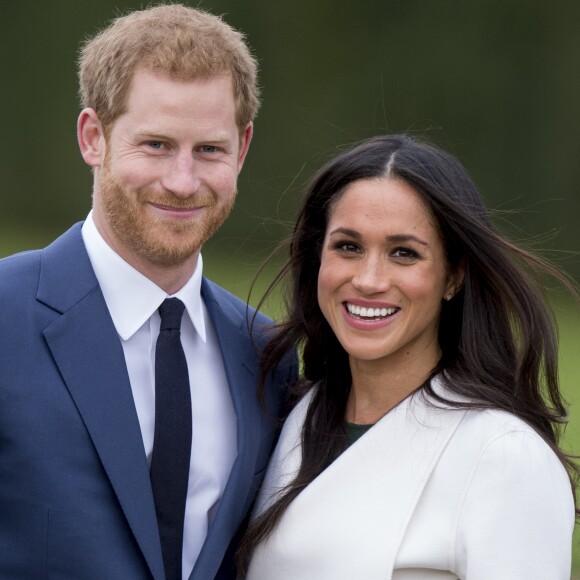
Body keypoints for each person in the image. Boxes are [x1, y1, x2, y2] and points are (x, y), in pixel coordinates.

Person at [0, 5, 296, 580]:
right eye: (156, 144)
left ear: (243, 147)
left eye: (209, 149)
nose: (182, 182)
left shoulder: (268, 355)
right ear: (94, 137)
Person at [239, 134, 578, 579]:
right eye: (348, 246)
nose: (369, 279)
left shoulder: (502, 456)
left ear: (453, 275)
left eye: (404, 253)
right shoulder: (290, 418)